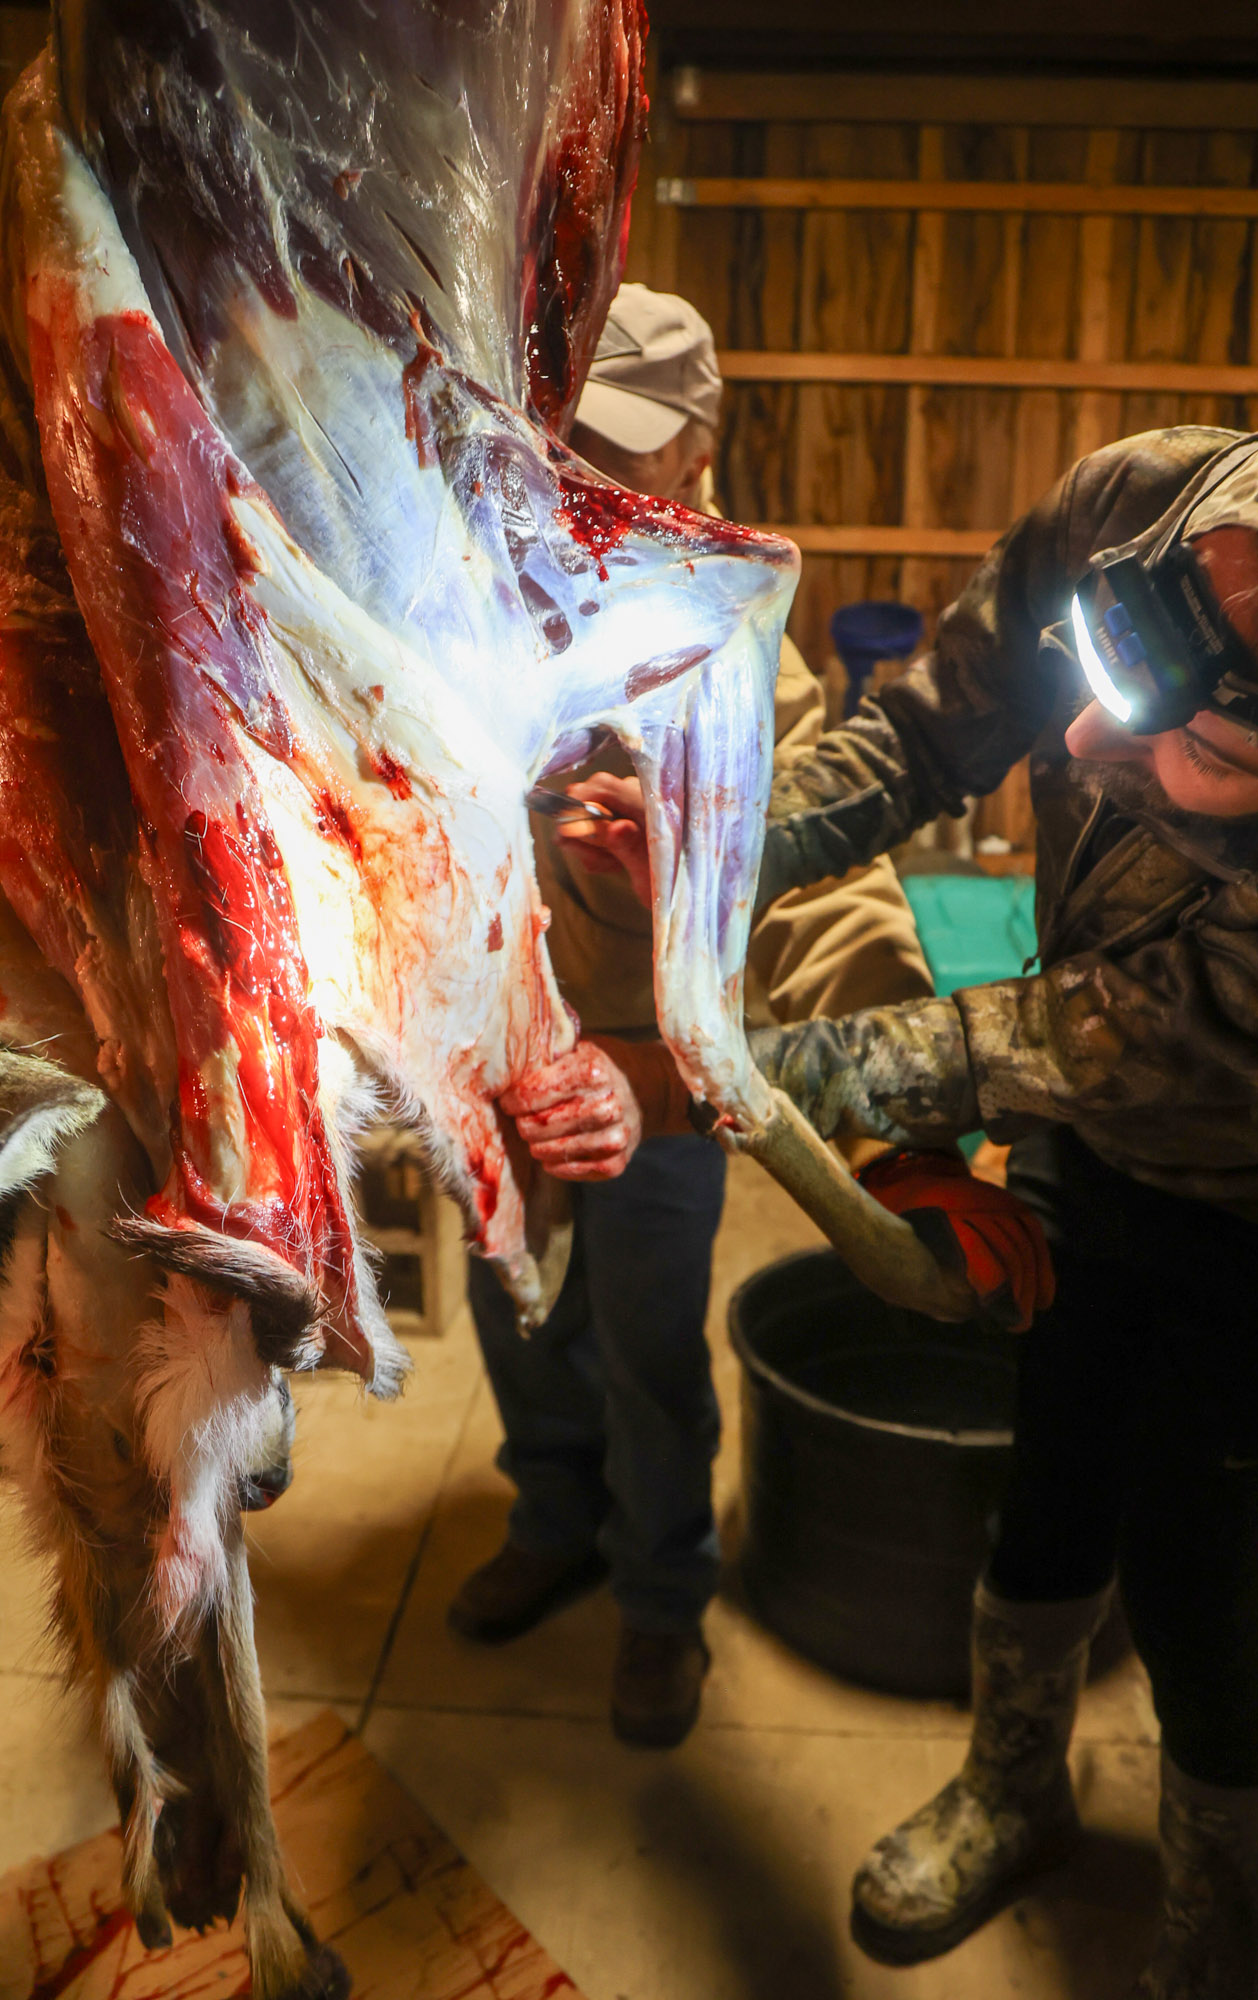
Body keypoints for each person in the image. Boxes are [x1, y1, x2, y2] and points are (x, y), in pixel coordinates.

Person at [564, 408, 1258, 1997]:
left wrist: (690, 1082)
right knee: (1046, 1481)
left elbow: (1017, 1047)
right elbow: (926, 732)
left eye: (1196, 758)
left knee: (1195, 1585)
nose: (1076, 755)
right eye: (1106, 684)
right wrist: (723, 847)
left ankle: (1210, 1940)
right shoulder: (1133, 501)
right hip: (1090, 1133)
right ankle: (1013, 1789)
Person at [451, 283, 933, 1750]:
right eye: (569, 442)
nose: (591, 474)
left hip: (651, 1076)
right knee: (514, 1307)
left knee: (651, 1338)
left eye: (623, 444)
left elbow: (826, 874)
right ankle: (556, 1515)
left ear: (698, 442)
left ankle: (661, 1599)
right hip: (499, 1053)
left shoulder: (736, 641)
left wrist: (909, 1096)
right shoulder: (500, 585)